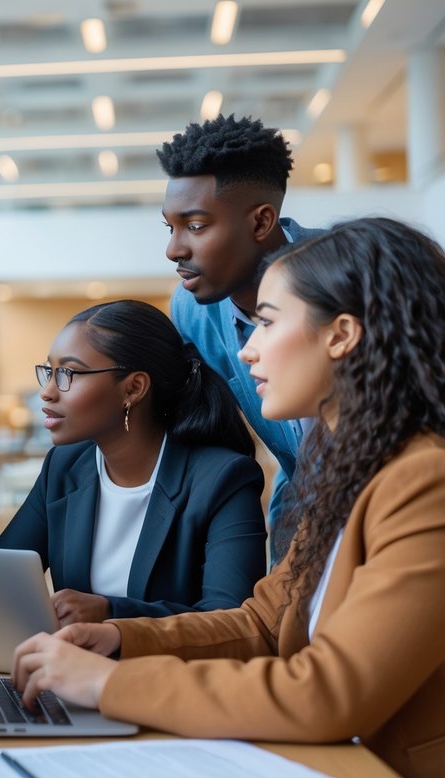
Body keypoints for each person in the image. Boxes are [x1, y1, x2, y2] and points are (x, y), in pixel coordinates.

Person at [11, 218, 445, 778]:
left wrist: (107, 685)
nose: (246, 349)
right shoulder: (352, 466)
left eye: (267, 322)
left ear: (341, 335)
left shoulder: (434, 480)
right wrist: (124, 639)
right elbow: (263, 621)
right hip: (331, 772)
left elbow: (327, 693)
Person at [0, 300, 265, 625]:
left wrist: (111, 612)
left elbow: (231, 622)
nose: (48, 392)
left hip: (169, 674)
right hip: (74, 671)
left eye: (67, 373)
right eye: (49, 371)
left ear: (134, 388)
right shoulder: (65, 467)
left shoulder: (224, 479)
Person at [160, 114, 322, 561]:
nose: (173, 249)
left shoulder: (353, 277)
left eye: (194, 226)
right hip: (300, 507)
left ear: (261, 222)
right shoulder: (192, 310)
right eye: (169, 227)